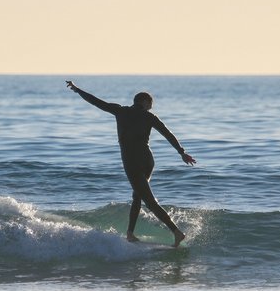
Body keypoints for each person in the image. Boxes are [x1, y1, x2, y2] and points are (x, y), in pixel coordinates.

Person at [66, 80, 196, 247]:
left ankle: (176, 232)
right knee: (138, 195)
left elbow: (96, 101)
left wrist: (78, 90)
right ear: (144, 101)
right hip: (148, 160)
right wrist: (181, 152)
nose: (151, 106)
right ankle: (130, 234)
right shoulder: (150, 117)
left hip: (131, 161)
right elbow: (167, 134)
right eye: (151, 103)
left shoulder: (120, 111)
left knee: (148, 201)